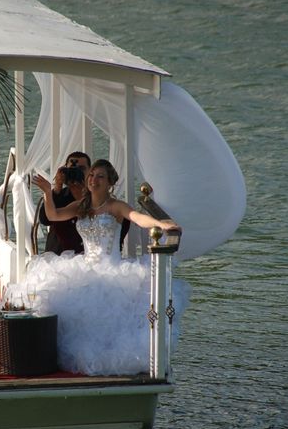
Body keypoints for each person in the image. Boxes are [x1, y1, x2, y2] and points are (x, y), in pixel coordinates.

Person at [28, 159, 191, 376]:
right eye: (91, 175)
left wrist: (161, 224)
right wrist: (49, 192)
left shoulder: (116, 206)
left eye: (100, 176)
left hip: (112, 268)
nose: (93, 179)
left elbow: (138, 218)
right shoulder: (81, 206)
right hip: (85, 267)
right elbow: (53, 215)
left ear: (109, 183)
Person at [38, 152, 90, 254]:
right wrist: (57, 188)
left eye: (82, 169)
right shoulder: (58, 195)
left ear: (90, 171)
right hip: (58, 252)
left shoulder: (95, 197)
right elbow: (44, 220)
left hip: (87, 253)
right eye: (72, 170)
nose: (77, 172)